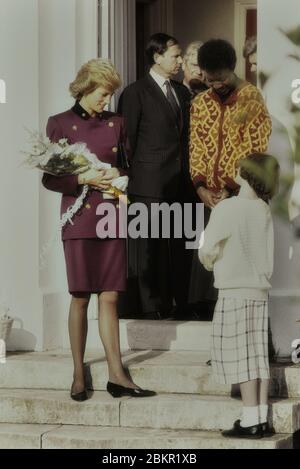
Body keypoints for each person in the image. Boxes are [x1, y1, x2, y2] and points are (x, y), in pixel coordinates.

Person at [42, 59, 155, 401]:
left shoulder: (117, 123)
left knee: (110, 295)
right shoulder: (59, 124)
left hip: (109, 215)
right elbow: (50, 177)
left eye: (109, 95)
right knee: (80, 296)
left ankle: (117, 374)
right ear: (85, 88)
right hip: (78, 219)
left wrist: (117, 176)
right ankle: (78, 374)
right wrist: (81, 178)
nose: (107, 100)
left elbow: (127, 165)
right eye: (103, 94)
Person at [189, 39, 272, 315]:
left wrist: (228, 187)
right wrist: (200, 186)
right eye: (209, 80)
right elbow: (196, 146)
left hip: (241, 196)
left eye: (220, 79)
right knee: (210, 269)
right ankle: (219, 339)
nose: (215, 85)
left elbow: (255, 148)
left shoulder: (252, 98)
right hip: (210, 198)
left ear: (232, 69)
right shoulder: (200, 103)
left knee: (240, 269)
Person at [199, 153, 279, 438]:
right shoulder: (263, 210)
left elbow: (207, 249)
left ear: (245, 174)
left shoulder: (228, 208)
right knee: (257, 357)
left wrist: (211, 261)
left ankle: (249, 420)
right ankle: (259, 417)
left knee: (242, 358)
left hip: (234, 291)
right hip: (259, 292)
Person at [118, 33, 191, 319]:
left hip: (180, 184)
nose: (180, 61)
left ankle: (179, 303)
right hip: (147, 185)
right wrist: (126, 184)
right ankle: (150, 307)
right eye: (175, 55)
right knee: (149, 247)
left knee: (179, 247)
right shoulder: (135, 93)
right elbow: (128, 143)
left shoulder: (182, 92)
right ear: (157, 57)